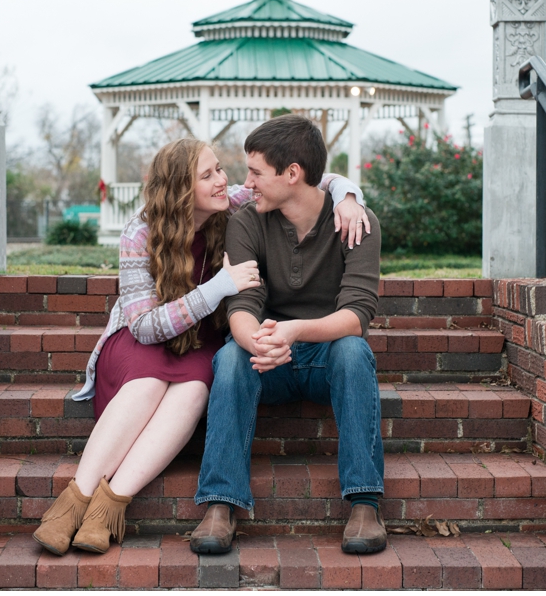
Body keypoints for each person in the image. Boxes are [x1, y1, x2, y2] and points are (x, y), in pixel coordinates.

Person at [32, 136, 369, 556]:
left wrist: (349, 198)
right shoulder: (140, 232)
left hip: (198, 343)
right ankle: (72, 504)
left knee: (193, 389)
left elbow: (311, 177)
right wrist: (216, 289)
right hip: (142, 340)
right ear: (180, 189)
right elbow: (144, 326)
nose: (224, 180)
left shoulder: (231, 206)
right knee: (147, 384)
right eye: (208, 174)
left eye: (220, 170)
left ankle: (108, 507)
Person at [190, 115, 386, 557]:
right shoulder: (247, 222)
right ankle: (220, 504)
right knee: (229, 358)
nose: (246, 182)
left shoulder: (356, 223)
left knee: (354, 352)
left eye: (256, 172)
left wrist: (296, 330)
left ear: (292, 173)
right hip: (267, 360)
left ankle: (364, 503)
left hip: (326, 358)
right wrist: (255, 340)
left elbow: (357, 314)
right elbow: (242, 304)